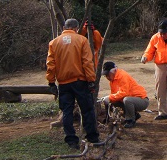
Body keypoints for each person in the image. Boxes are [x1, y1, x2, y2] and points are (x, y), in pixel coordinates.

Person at [46, 18, 100, 150]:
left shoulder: (54, 43)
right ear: (76, 28)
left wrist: (51, 82)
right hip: (80, 81)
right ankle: (92, 137)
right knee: (87, 110)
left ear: (64, 27)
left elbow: (50, 65)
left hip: (63, 83)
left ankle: (71, 140)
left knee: (67, 111)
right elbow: (87, 62)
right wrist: (91, 80)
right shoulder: (82, 40)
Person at [98, 61, 149, 128]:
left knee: (127, 100)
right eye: (105, 75)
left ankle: (130, 120)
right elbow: (114, 95)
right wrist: (109, 99)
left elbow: (124, 93)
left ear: (113, 71)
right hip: (131, 100)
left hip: (142, 100)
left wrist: (110, 97)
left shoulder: (122, 76)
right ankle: (134, 115)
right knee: (113, 101)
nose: (107, 77)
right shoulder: (113, 80)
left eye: (108, 74)